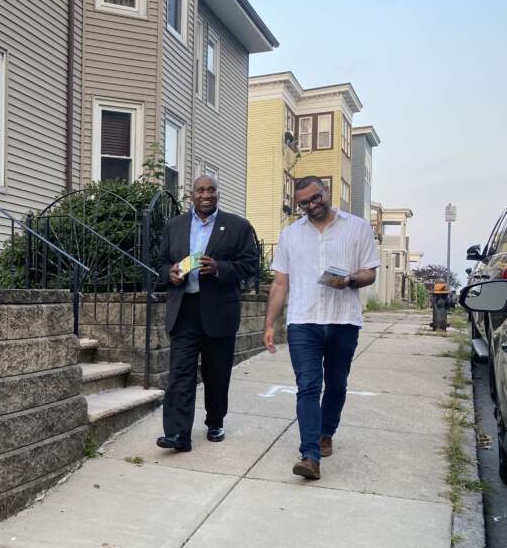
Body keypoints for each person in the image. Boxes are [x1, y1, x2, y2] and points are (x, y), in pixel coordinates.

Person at [263, 175, 380, 480]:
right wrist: (269, 324)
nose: (312, 206)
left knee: (337, 384)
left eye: (316, 198)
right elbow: (279, 283)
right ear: (297, 203)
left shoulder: (357, 227)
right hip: (303, 321)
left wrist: (350, 280)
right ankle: (310, 454)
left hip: (344, 320)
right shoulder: (290, 235)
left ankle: (327, 432)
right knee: (308, 386)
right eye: (304, 203)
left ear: (326, 193)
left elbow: (370, 273)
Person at [155, 174, 259, 452]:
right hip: (184, 309)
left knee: (216, 372)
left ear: (217, 194)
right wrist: (170, 273)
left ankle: (215, 420)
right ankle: (177, 434)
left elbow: (250, 265)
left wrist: (220, 269)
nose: (206, 194)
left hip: (218, 311)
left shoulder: (237, 226)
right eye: (200, 190)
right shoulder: (175, 225)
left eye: (211, 190)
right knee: (180, 373)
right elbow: (161, 262)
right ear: (192, 195)